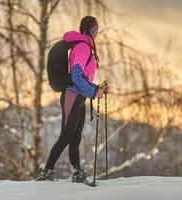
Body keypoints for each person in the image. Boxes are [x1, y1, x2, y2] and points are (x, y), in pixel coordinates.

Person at [36, 16, 107, 182]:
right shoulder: (82, 47)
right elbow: (76, 76)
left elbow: (84, 77)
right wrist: (92, 92)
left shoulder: (86, 47)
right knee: (66, 136)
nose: (97, 33)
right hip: (72, 95)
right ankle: (47, 171)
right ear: (89, 31)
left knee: (75, 138)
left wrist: (96, 89)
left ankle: (77, 172)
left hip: (79, 97)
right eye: (95, 30)